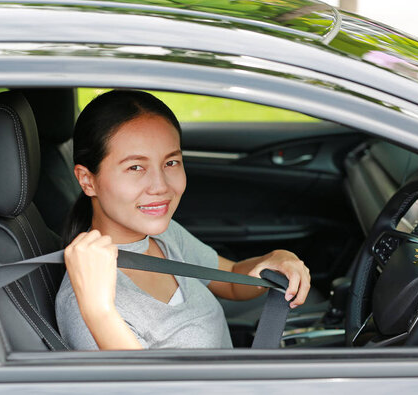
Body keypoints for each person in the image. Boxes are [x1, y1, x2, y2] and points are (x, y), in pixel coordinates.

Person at [55, 90, 311, 350]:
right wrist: (99, 313)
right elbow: (144, 388)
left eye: (171, 162)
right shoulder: (85, 304)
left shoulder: (163, 236)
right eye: (135, 167)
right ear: (88, 180)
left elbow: (232, 279)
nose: (160, 186)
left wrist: (277, 259)